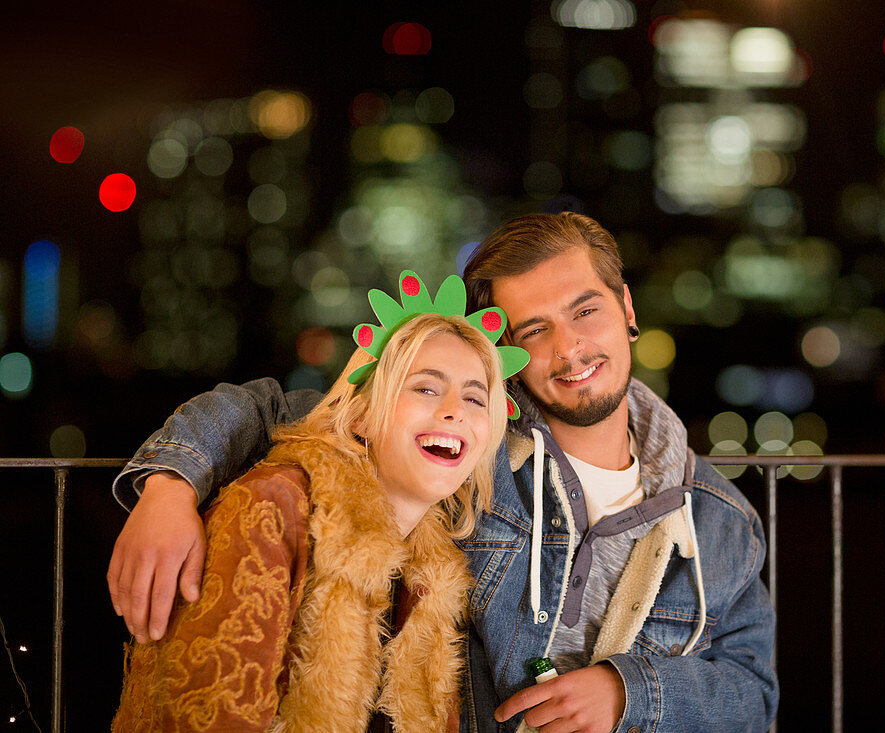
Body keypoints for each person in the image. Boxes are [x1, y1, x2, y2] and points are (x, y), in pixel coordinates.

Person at [109, 212, 779, 732]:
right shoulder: (468, 443)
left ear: (627, 308)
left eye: (586, 310)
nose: (569, 348)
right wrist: (169, 484)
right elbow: (277, 408)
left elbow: (755, 692)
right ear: (507, 349)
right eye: (534, 329)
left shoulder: (717, 516)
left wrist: (629, 692)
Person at [111, 274, 517, 731]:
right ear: (361, 416)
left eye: (474, 397)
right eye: (425, 387)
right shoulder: (275, 507)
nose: (454, 410)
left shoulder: (432, 569)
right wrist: (168, 482)